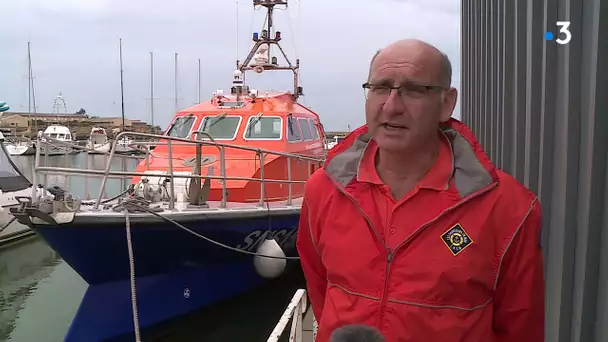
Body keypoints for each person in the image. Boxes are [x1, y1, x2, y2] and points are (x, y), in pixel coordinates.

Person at [296, 39, 544, 342]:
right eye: (380, 88)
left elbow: (520, 327)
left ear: (446, 103)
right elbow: (321, 289)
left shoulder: (509, 206)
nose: (391, 106)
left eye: (413, 90)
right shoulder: (323, 190)